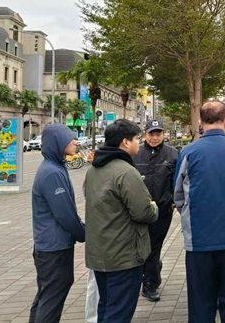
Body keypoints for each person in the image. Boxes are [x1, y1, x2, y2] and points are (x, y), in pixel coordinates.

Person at [174, 101, 225, 323]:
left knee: (201, 306)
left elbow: (178, 198)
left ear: (200, 122)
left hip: (199, 242)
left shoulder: (188, 152)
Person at [84, 119, 159, 323]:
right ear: (125, 142)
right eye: (136, 138)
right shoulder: (126, 172)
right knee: (119, 313)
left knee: (106, 307)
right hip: (124, 256)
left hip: (100, 254)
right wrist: (154, 206)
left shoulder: (94, 169)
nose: (139, 142)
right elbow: (143, 212)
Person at [30, 125, 85, 323]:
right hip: (54, 248)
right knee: (52, 297)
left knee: (46, 295)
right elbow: (65, 214)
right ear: (58, 142)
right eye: (71, 139)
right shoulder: (52, 172)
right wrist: (83, 233)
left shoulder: (54, 167)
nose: (75, 142)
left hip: (49, 246)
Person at [134, 119, 179, 302]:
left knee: (154, 246)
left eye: (158, 133)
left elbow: (177, 180)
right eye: (151, 133)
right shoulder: (135, 153)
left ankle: (150, 284)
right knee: (141, 247)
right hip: (139, 210)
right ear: (145, 134)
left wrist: (174, 201)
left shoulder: (173, 154)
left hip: (162, 210)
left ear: (163, 134)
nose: (154, 137)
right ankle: (152, 270)